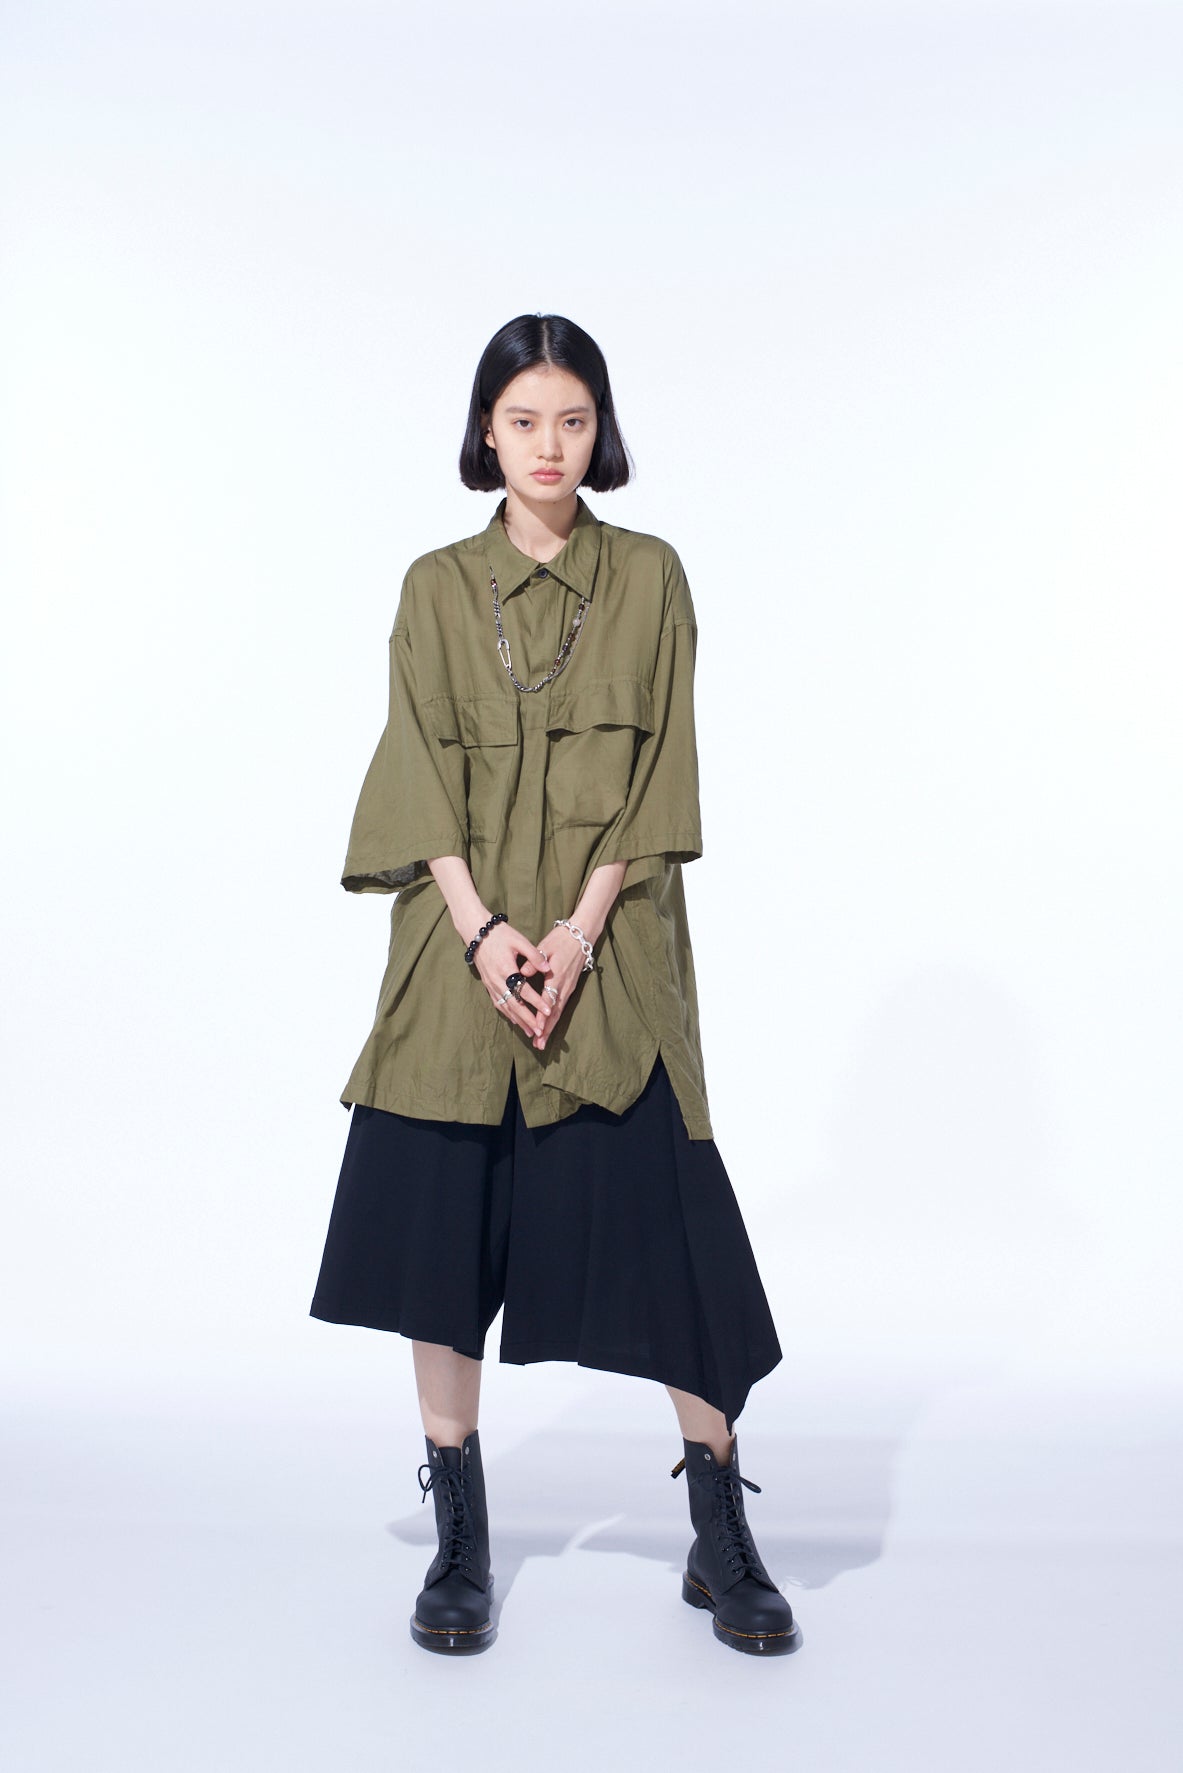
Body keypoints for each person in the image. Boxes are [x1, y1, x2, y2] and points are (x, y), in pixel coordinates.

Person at [309, 313, 801, 1658]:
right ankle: (461, 1537)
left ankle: (718, 1530)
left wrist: (577, 935)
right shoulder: (433, 589)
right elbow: (417, 768)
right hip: (456, 954)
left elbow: (663, 777)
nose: (549, 445)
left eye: (572, 420)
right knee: (439, 1244)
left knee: (680, 1240)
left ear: (601, 430)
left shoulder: (649, 576)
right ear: (486, 430)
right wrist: (480, 933)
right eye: (524, 420)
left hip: (614, 946)